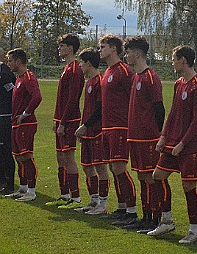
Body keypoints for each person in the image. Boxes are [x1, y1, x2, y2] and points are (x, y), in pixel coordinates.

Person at [148, 45, 197, 244]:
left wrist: (182, 144)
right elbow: (173, 113)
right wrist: (164, 137)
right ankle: (167, 221)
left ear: (183, 60)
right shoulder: (178, 84)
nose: (172, 63)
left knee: (188, 186)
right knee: (158, 175)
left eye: (174, 59)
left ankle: (193, 231)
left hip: (192, 145)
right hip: (174, 142)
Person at [123, 36, 165, 232]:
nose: (126, 56)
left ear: (137, 53)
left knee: (150, 177)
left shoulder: (150, 77)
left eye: (128, 52)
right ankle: (146, 216)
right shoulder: (136, 77)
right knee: (141, 176)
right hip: (136, 137)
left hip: (148, 138)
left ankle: (156, 218)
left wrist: (156, 134)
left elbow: (159, 109)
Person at [98, 35, 138, 224]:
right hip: (107, 127)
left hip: (120, 127)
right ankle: (122, 207)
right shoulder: (107, 72)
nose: (100, 50)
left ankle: (132, 211)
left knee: (119, 168)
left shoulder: (124, 71)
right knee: (113, 169)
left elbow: (135, 98)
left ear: (114, 48)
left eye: (103, 46)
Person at [45, 33, 85, 208]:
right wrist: (56, 120)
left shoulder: (76, 69)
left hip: (69, 120)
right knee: (60, 156)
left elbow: (72, 99)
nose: (59, 48)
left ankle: (75, 197)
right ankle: (64, 193)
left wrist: (63, 122)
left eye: (62, 45)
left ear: (70, 48)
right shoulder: (67, 68)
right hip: (61, 119)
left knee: (68, 156)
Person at [74, 48, 110, 214]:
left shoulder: (100, 81)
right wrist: (83, 128)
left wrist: (86, 126)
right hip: (87, 131)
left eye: (81, 62)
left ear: (88, 63)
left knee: (100, 167)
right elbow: (87, 108)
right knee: (87, 166)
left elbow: (100, 109)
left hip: (97, 131)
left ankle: (103, 204)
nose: (80, 65)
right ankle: (93, 200)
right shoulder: (89, 82)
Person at [5, 48, 42, 201]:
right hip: (16, 124)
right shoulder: (19, 78)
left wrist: (26, 114)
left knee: (26, 156)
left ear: (18, 61)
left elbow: (37, 97)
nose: (9, 64)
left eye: (10, 60)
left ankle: (31, 191)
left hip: (26, 124)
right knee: (19, 157)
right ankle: (23, 188)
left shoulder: (28, 77)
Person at [0, 48, 16, 195]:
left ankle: (8, 183)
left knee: (5, 150)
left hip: (5, 117)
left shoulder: (5, 74)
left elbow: (12, 94)